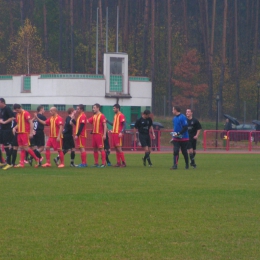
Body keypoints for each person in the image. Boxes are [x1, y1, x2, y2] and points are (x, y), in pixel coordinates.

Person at [12, 104, 41, 168]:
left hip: (25, 133)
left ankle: (37, 159)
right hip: (19, 133)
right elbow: (19, 123)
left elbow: (31, 122)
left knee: (26, 147)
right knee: (22, 148)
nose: (17, 111)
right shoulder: (17, 115)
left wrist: (31, 132)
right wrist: (14, 128)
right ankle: (22, 163)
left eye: (18, 110)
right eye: (16, 111)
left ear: (20, 108)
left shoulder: (26, 113)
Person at [0, 98, 15, 169]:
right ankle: (1, 162)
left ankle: (9, 163)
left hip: (7, 130)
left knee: (6, 146)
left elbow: (12, 118)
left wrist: (5, 122)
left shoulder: (7, 109)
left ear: (2, 102)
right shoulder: (1, 110)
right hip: (2, 129)